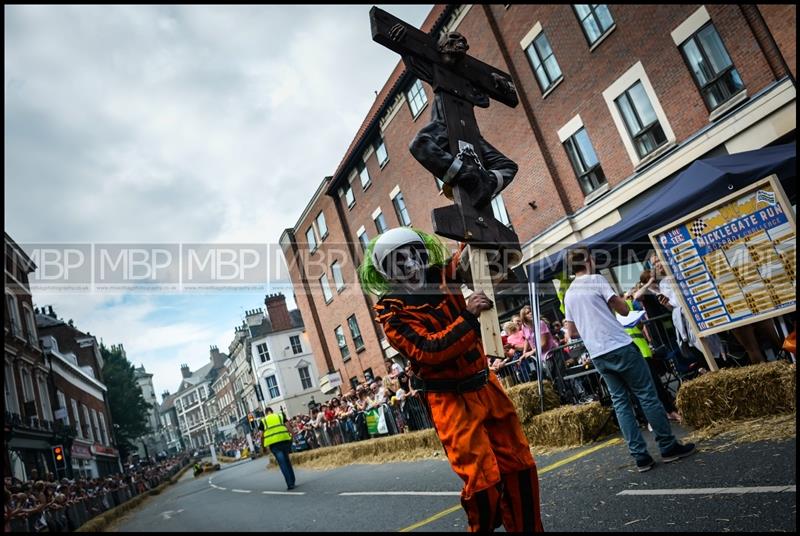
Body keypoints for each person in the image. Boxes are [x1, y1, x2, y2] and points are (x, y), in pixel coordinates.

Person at [360, 227, 543, 532]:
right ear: (386, 270)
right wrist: (468, 317)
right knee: (483, 485)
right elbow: (429, 349)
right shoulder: (391, 312)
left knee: (520, 469)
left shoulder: (445, 274)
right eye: (398, 259)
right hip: (450, 401)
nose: (409, 263)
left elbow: (482, 259)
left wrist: (479, 227)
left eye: (413, 254)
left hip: (486, 385)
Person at [563, 245, 696, 473]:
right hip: (619, 345)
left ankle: (640, 457)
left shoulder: (569, 293)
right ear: (588, 260)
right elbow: (624, 310)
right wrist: (611, 305)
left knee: (621, 402)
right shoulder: (596, 279)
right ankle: (668, 446)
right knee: (646, 395)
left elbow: (572, 333)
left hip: (598, 354)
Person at [258, 407, 296, 490]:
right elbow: (288, 427)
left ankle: (290, 484)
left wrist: (263, 446)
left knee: (282, 463)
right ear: (272, 411)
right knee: (287, 460)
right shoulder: (280, 415)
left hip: (274, 444)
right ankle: (293, 480)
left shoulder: (263, 421)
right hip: (284, 440)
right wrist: (294, 436)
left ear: (265, 413)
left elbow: (261, 435)